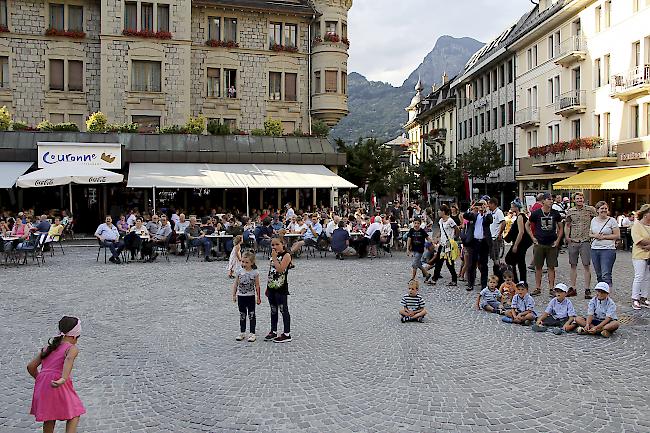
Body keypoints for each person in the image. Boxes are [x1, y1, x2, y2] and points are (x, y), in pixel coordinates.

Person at [27, 316, 85, 433]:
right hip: (59, 382)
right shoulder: (72, 348)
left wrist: (40, 379)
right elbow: (68, 359)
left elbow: (31, 367)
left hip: (44, 385)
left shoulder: (48, 348)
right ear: (74, 336)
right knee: (75, 412)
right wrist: (63, 378)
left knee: (49, 417)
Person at [526, 193, 563, 296]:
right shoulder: (536, 213)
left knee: (551, 267)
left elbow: (561, 227)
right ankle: (538, 287)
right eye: (548, 199)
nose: (551, 201)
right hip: (539, 243)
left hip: (552, 244)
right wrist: (532, 238)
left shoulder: (555, 213)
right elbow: (527, 225)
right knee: (538, 266)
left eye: (552, 199)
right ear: (543, 201)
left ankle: (551, 288)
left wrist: (558, 240)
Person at [565, 192, 597, 298]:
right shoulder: (570, 211)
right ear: (574, 200)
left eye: (581, 198)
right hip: (574, 240)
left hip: (585, 240)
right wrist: (567, 237)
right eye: (577, 199)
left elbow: (596, 221)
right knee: (573, 265)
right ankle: (573, 287)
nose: (579, 200)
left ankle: (587, 289)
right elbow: (568, 225)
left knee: (586, 265)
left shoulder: (590, 210)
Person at [265, 236, 293, 343]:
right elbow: (271, 271)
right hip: (272, 286)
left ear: (283, 244)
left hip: (281, 287)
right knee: (273, 310)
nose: (275, 246)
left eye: (277, 244)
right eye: (273, 245)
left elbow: (280, 269)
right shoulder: (273, 255)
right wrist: (267, 287)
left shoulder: (286, 255)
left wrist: (275, 258)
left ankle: (287, 333)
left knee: (283, 310)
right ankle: (273, 330)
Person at [463, 200, 493, 291]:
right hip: (474, 242)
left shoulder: (487, 216)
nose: (481, 206)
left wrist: (486, 211)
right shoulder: (474, 215)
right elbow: (465, 216)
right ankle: (470, 283)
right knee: (471, 264)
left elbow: (490, 220)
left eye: (483, 205)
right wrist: (471, 208)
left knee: (483, 264)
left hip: (484, 242)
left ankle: (484, 284)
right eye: (480, 205)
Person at [589, 201, 619, 292]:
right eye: (602, 208)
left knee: (606, 273)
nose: (604, 210)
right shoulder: (593, 220)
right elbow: (590, 233)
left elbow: (617, 235)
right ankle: (600, 292)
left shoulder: (612, 220)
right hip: (595, 249)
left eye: (605, 208)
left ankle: (607, 293)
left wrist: (604, 237)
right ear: (597, 210)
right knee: (598, 274)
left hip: (608, 249)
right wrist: (595, 236)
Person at [232, 251, 261, 342]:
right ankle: (242, 332)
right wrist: (234, 294)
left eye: (246, 262)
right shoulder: (239, 271)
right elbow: (235, 283)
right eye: (243, 262)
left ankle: (252, 333)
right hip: (241, 296)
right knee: (242, 314)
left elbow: (257, 285)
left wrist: (258, 297)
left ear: (252, 263)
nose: (244, 264)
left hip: (250, 296)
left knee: (251, 314)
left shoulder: (255, 272)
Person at [504, 200, 532, 283]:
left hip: (521, 243)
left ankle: (517, 280)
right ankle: (519, 280)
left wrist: (516, 245)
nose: (511, 208)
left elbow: (521, 232)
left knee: (511, 260)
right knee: (519, 261)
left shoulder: (520, 217)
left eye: (512, 206)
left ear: (516, 207)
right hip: (522, 242)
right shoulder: (521, 216)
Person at [431, 205, 459, 286]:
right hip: (442, 244)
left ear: (443, 212)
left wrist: (454, 239)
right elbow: (441, 230)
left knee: (449, 263)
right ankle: (434, 279)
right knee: (439, 262)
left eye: (439, 210)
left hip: (448, 244)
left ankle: (454, 280)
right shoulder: (441, 221)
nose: (438, 212)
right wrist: (437, 237)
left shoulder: (450, 220)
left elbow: (456, 229)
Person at [630, 203, 650, 310]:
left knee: (647, 277)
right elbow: (638, 240)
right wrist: (645, 244)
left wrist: (648, 245)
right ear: (645, 214)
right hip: (639, 255)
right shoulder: (637, 225)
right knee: (639, 276)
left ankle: (644, 297)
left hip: (649, 254)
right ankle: (635, 298)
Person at [406, 218, 433, 282]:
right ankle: (427, 274)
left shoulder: (422, 231)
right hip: (414, 249)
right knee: (418, 263)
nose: (416, 225)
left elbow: (428, 238)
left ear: (420, 224)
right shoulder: (411, 230)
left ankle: (413, 278)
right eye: (415, 223)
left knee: (414, 264)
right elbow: (409, 240)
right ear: (413, 223)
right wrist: (408, 249)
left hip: (420, 250)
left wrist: (430, 244)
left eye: (418, 223)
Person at [487, 198, 506, 273]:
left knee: (496, 257)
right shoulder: (491, 213)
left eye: (489, 204)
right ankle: (496, 272)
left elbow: (503, 222)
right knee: (493, 256)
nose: (488, 206)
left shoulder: (498, 212)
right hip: (491, 237)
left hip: (495, 237)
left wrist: (499, 234)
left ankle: (498, 273)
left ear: (493, 204)